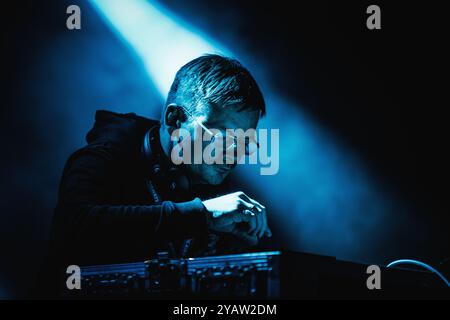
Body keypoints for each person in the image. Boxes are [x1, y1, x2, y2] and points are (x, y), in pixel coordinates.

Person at [49, 54, 271, 273]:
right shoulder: (104, 158)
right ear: (174, 120)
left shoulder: (214, 185)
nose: (234, 152)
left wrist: (238, 250)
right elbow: (74, 226)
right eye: (223, 136)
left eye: (245, 141)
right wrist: (202, 215)